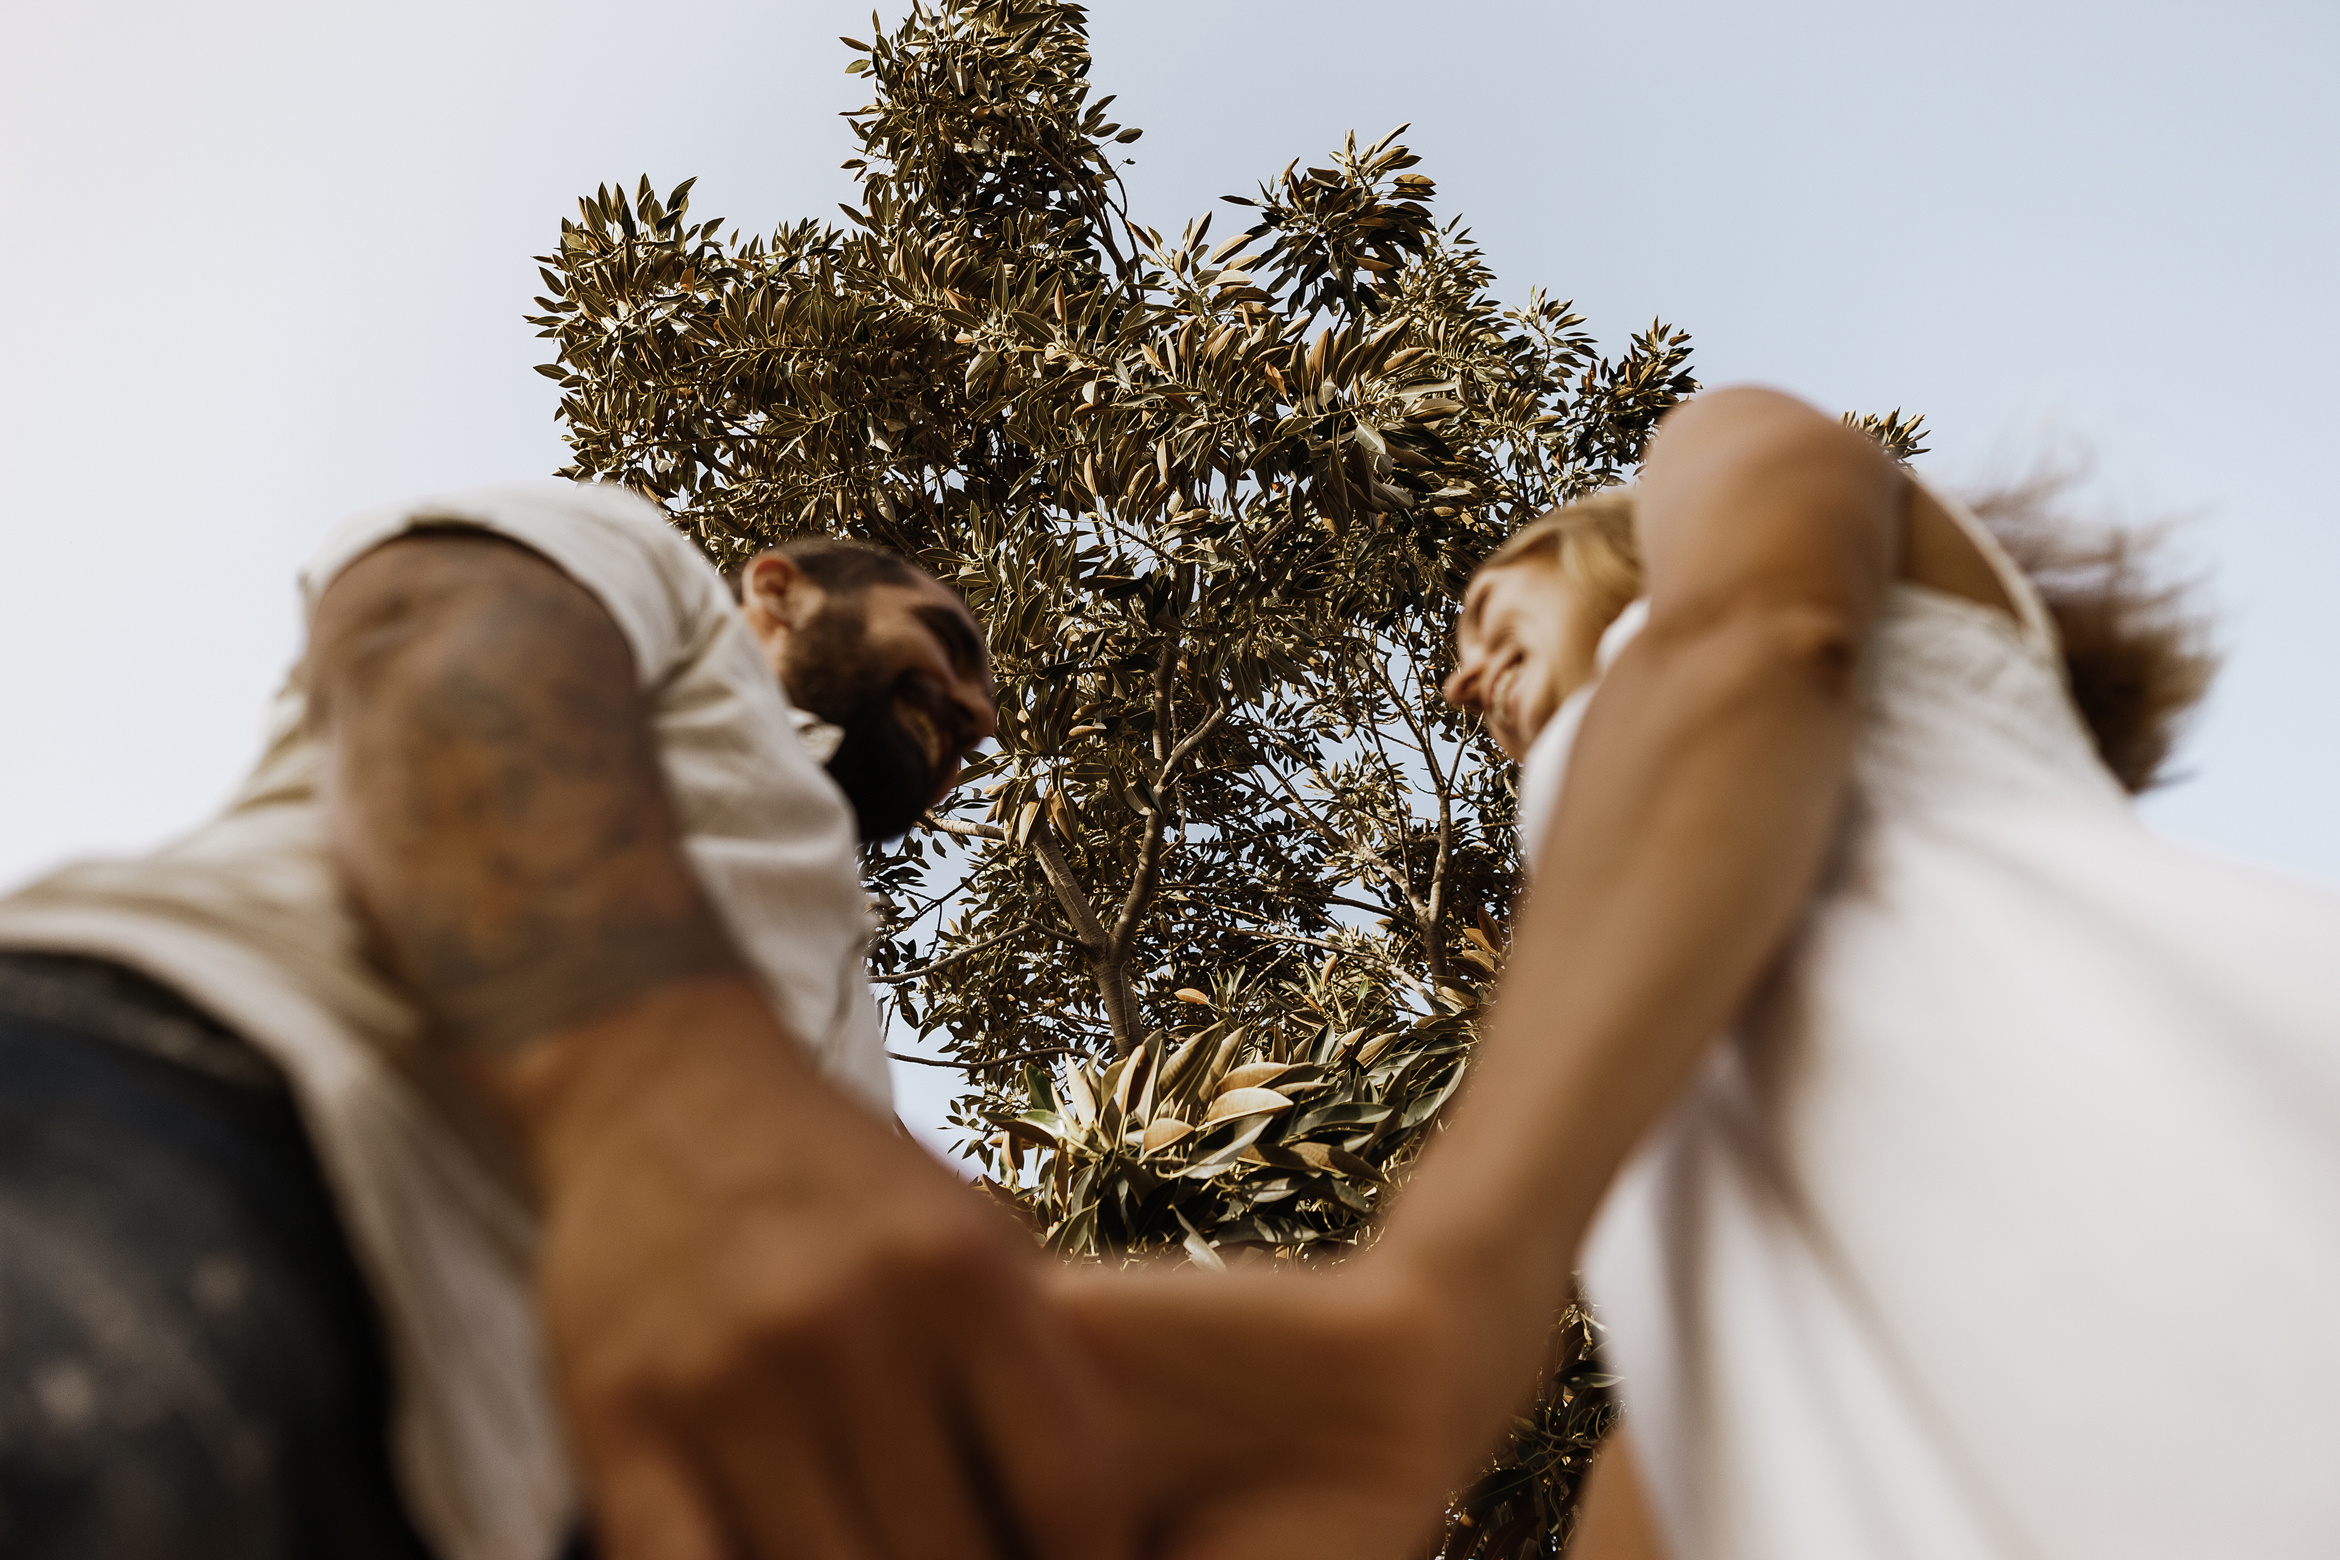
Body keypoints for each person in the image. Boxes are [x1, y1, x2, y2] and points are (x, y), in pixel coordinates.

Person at [1056, 387, 2340, 1560]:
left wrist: (1429, 1303)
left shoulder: (1736, 461)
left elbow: (1755, 643)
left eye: (1489, 610)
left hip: (2187, 1150)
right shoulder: (1660, 1100)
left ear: (1605, 544)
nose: (1459, 679)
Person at [0, 481, 1130, 1560]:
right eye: (946, 640)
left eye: (984, 700)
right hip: (227, 1118)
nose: (977, 709)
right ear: (779, 592)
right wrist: (653, 1091)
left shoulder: (842, 1004)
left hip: (489, 1483)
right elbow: (429, 626)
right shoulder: (653, 586)